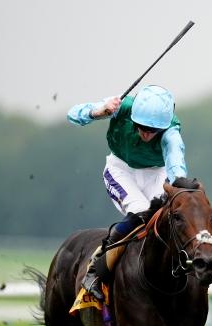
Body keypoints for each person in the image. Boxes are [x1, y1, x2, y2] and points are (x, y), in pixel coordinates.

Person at [67, 85, 187, 300]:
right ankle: (95, 272)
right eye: (141, 126)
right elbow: (73, 114)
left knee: (167, 217)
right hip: (120, 170)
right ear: (134, 117)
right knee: (141, 212)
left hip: (156, 173)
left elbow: (176, 164)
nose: (146, 133)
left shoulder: (171, 133)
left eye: (153, 130)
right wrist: (99, 111)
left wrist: (180, 184)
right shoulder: (122, 107)